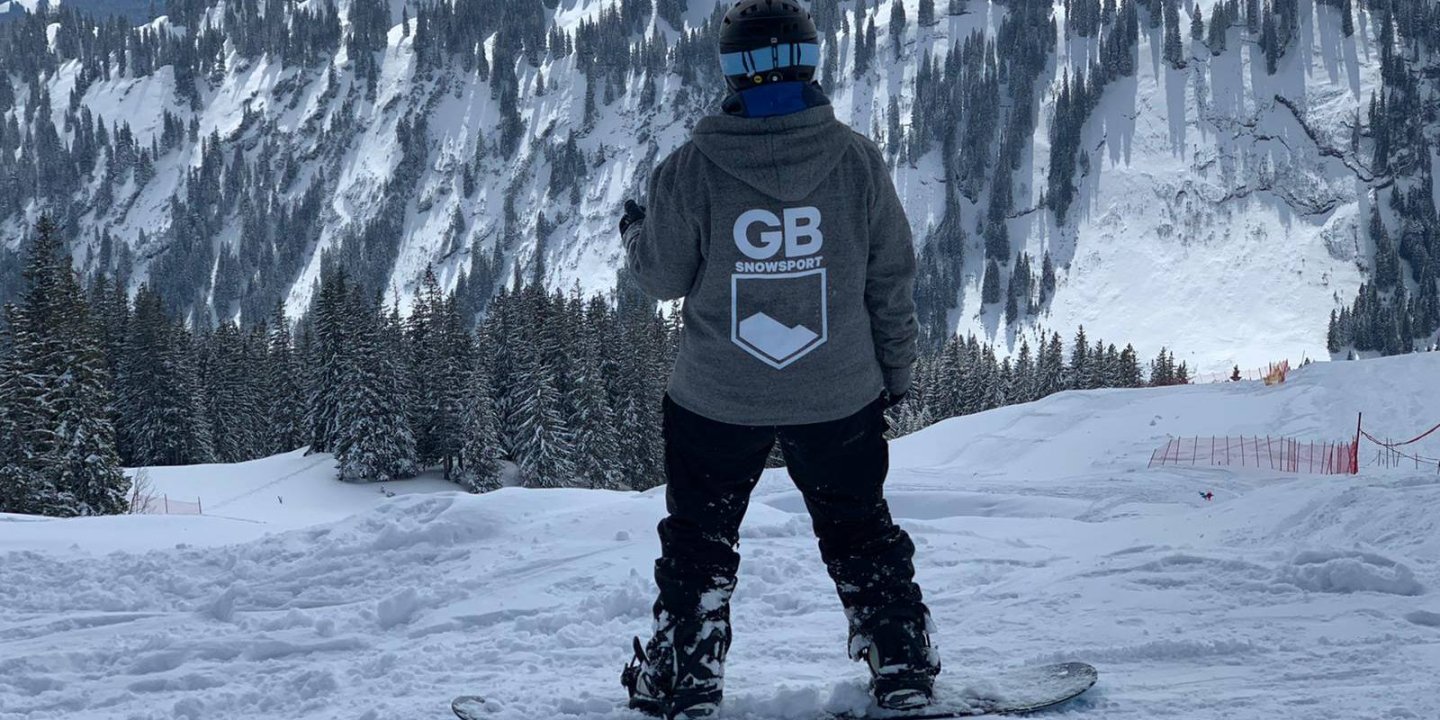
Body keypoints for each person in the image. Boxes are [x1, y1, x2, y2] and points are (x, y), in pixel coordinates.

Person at [616, 1, 938, 718]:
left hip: (718, 396)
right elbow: (891, 276)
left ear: (732, 71)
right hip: (837, 388)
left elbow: (663, 277)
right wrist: (898, 372)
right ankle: (902, 664)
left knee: (700, 538)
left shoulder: (693, 169)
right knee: (859, 529)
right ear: (811, 62)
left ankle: (685, 679)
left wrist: (636, 232)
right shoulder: (854, 160)